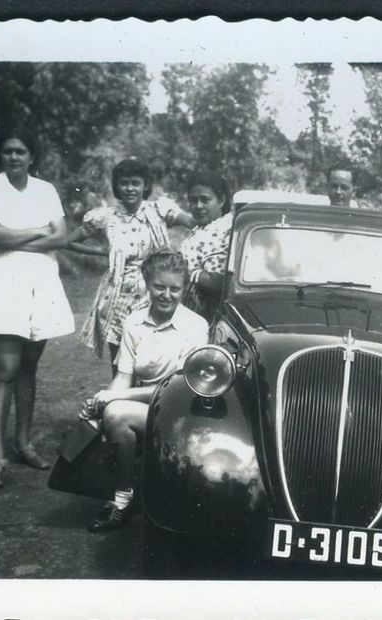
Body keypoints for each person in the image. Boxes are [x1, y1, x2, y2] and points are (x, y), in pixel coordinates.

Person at [0, 131, 75, 489]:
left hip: (41, 283)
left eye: (20, 151)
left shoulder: (45, 190)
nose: (13, 157)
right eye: (7, 151)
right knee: (7, 368)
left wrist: (11, 233)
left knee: (29, 367)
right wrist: (37, 231)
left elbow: (61, 237)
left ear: (32, 157)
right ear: (1, 155)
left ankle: (23, 443)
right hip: (4, 282)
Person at [83, 249, 208, 531]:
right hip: (145, 405)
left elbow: (180, 388)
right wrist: (101, 399)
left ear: (184, 288)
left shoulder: (196, 326)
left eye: (175, 288)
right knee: (109, 411)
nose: (166, 295)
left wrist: (117, 398)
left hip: (181, 409)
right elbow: (123, 377)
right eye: (159, 287)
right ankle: (122, 498)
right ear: (146, 283)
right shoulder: (133, 323)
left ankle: (127, 496)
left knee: (117, 413)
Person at [64, 158, 196, 374]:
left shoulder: (158, 210)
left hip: (155, 292)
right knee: (121, 363)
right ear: (117, 186)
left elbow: (190, 221)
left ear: (145, 185)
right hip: (118, 297)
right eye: (124, 183)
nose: (130, 188)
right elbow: (69, 241)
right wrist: (101, 251)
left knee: (155, 358)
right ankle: (119, 402)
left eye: (135, 183)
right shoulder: (106, 217)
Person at [178, 171, 233, 317]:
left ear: (221, 200)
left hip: (208, 314)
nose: (198, 206)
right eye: (193, 200)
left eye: (205, 200)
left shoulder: (224, 230)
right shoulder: (201, 229)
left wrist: (185, 273)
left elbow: (217, 283)